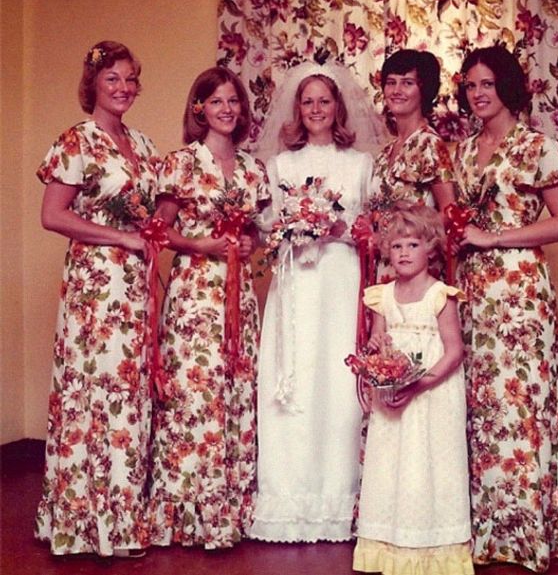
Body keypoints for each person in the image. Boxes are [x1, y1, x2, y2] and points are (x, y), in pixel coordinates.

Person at [453, 45, 558, 572]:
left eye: (487, 83)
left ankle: (528, 530)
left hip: (519, 294)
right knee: (481, 408)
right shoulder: (463, 152)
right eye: (470, 85)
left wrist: (494, 238)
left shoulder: (538, 147)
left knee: (521, 405)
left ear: (508, 87)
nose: (477, 93)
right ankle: (485, 529)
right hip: (471, 291)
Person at [34, 41, 161, 557]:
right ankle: (85, 524)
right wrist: (120, 238)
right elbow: (53, 215)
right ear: (93, 85)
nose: (123, 88)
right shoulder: (77, 140)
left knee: (130, 391)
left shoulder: (143, 144)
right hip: (95, 285)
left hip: (135, 283)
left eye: (130, 79)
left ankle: (125, 520)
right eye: (112, 79)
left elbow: (155, 214)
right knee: (95, 391)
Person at [249, 63, 374, 542]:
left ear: (338, 107)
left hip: (341, 279)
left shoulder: (360, 164)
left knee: (337, 382)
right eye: (308, 102)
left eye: (324, 101)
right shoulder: (280, 167)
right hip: (297, 283)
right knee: (296, 377)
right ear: (297, 109)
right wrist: (293, 226)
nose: (316, 109)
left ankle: (338, 496)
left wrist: (339, 229)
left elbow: (372, 231)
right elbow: (265, 226)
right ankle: (288, 496)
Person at [148, 66, 270, 549]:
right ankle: (188, 513)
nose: (226, 109)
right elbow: (158, 231)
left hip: (239, 297)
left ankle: (232, 510)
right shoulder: (180, 163)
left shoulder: (253, 169)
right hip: (195, 295)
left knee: (235, 390)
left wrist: (249, 240)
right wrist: (199, 244)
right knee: (195, 394)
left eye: (233, 101)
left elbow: (257, 233)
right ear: (199, 108)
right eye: (216, 101)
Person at [353, 204, 473, 575]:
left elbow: (454, 351)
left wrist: (421, 383)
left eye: (413, 245)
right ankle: (389, 543)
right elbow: (378, 342)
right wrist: (374, 353)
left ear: (431, 249)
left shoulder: (440, 295)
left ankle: (431, 545)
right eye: (397, 246)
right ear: (387, 251)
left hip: (432, 394)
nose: (404, 253)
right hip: (394, 395)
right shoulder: (382, 296)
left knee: (428, 463)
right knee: (391, 463)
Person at [370, 49, 455, 280]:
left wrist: (411, 236)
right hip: (385, 266)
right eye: (391, 82)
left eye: (407, 83)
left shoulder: (429, 143)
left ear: (423, 90)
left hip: (417, 268)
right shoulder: (385, 153)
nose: (397, 90)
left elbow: (449, 210)